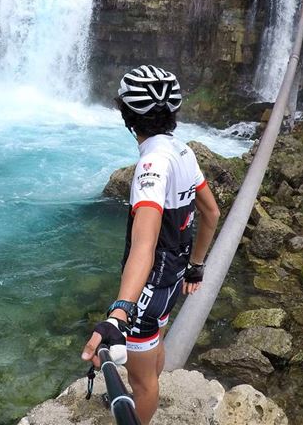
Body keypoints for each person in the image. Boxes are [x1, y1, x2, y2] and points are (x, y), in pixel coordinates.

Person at [81, 65, 221, 425]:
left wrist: (119, 312)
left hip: (150, 285)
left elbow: (144, 244)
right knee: (154, 338)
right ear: (172, 113)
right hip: (173, 274)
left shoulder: (150, 166)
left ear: (127, 117)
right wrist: (196, 265)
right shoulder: (182, 150)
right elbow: (212, 212)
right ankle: (152, 382)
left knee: (141, 385)